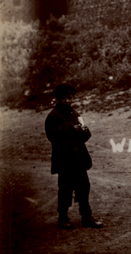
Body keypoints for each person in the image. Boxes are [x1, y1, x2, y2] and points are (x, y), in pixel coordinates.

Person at [45, 84, 103, 230]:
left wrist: (84, 131)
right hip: (64, 160)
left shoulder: (75, 113)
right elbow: (52, 135)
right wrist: (71, 128)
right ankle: (63, 218)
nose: (67, 100)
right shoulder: (53, 116)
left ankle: (86, 217)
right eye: (64, 98)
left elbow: (84, 137)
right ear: (58, 98)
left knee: (84, 187)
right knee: (65, 189)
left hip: (78, 158)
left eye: (70, 98)